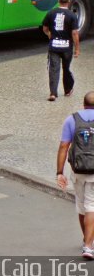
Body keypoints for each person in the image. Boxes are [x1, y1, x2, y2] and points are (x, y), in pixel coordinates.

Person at [56, 91, 94, 260]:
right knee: (92, 206)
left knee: (81, 206)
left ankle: (87, 239)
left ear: (83, 104)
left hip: (77, 171)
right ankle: (88, 245)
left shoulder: (72, 119)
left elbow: (64, 146)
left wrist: (59, 172)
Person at [42, 0, 80, 101]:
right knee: (66, 68)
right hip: (67, 48)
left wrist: (50, 35)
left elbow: (45, 28)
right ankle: (67, 90)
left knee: (53, 69)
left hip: (54, 46)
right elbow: (75, 33)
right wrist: (77, 49)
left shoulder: (51, 13)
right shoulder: (72, 16)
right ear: (69, 2)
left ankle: (53, 93)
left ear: (58, 1)